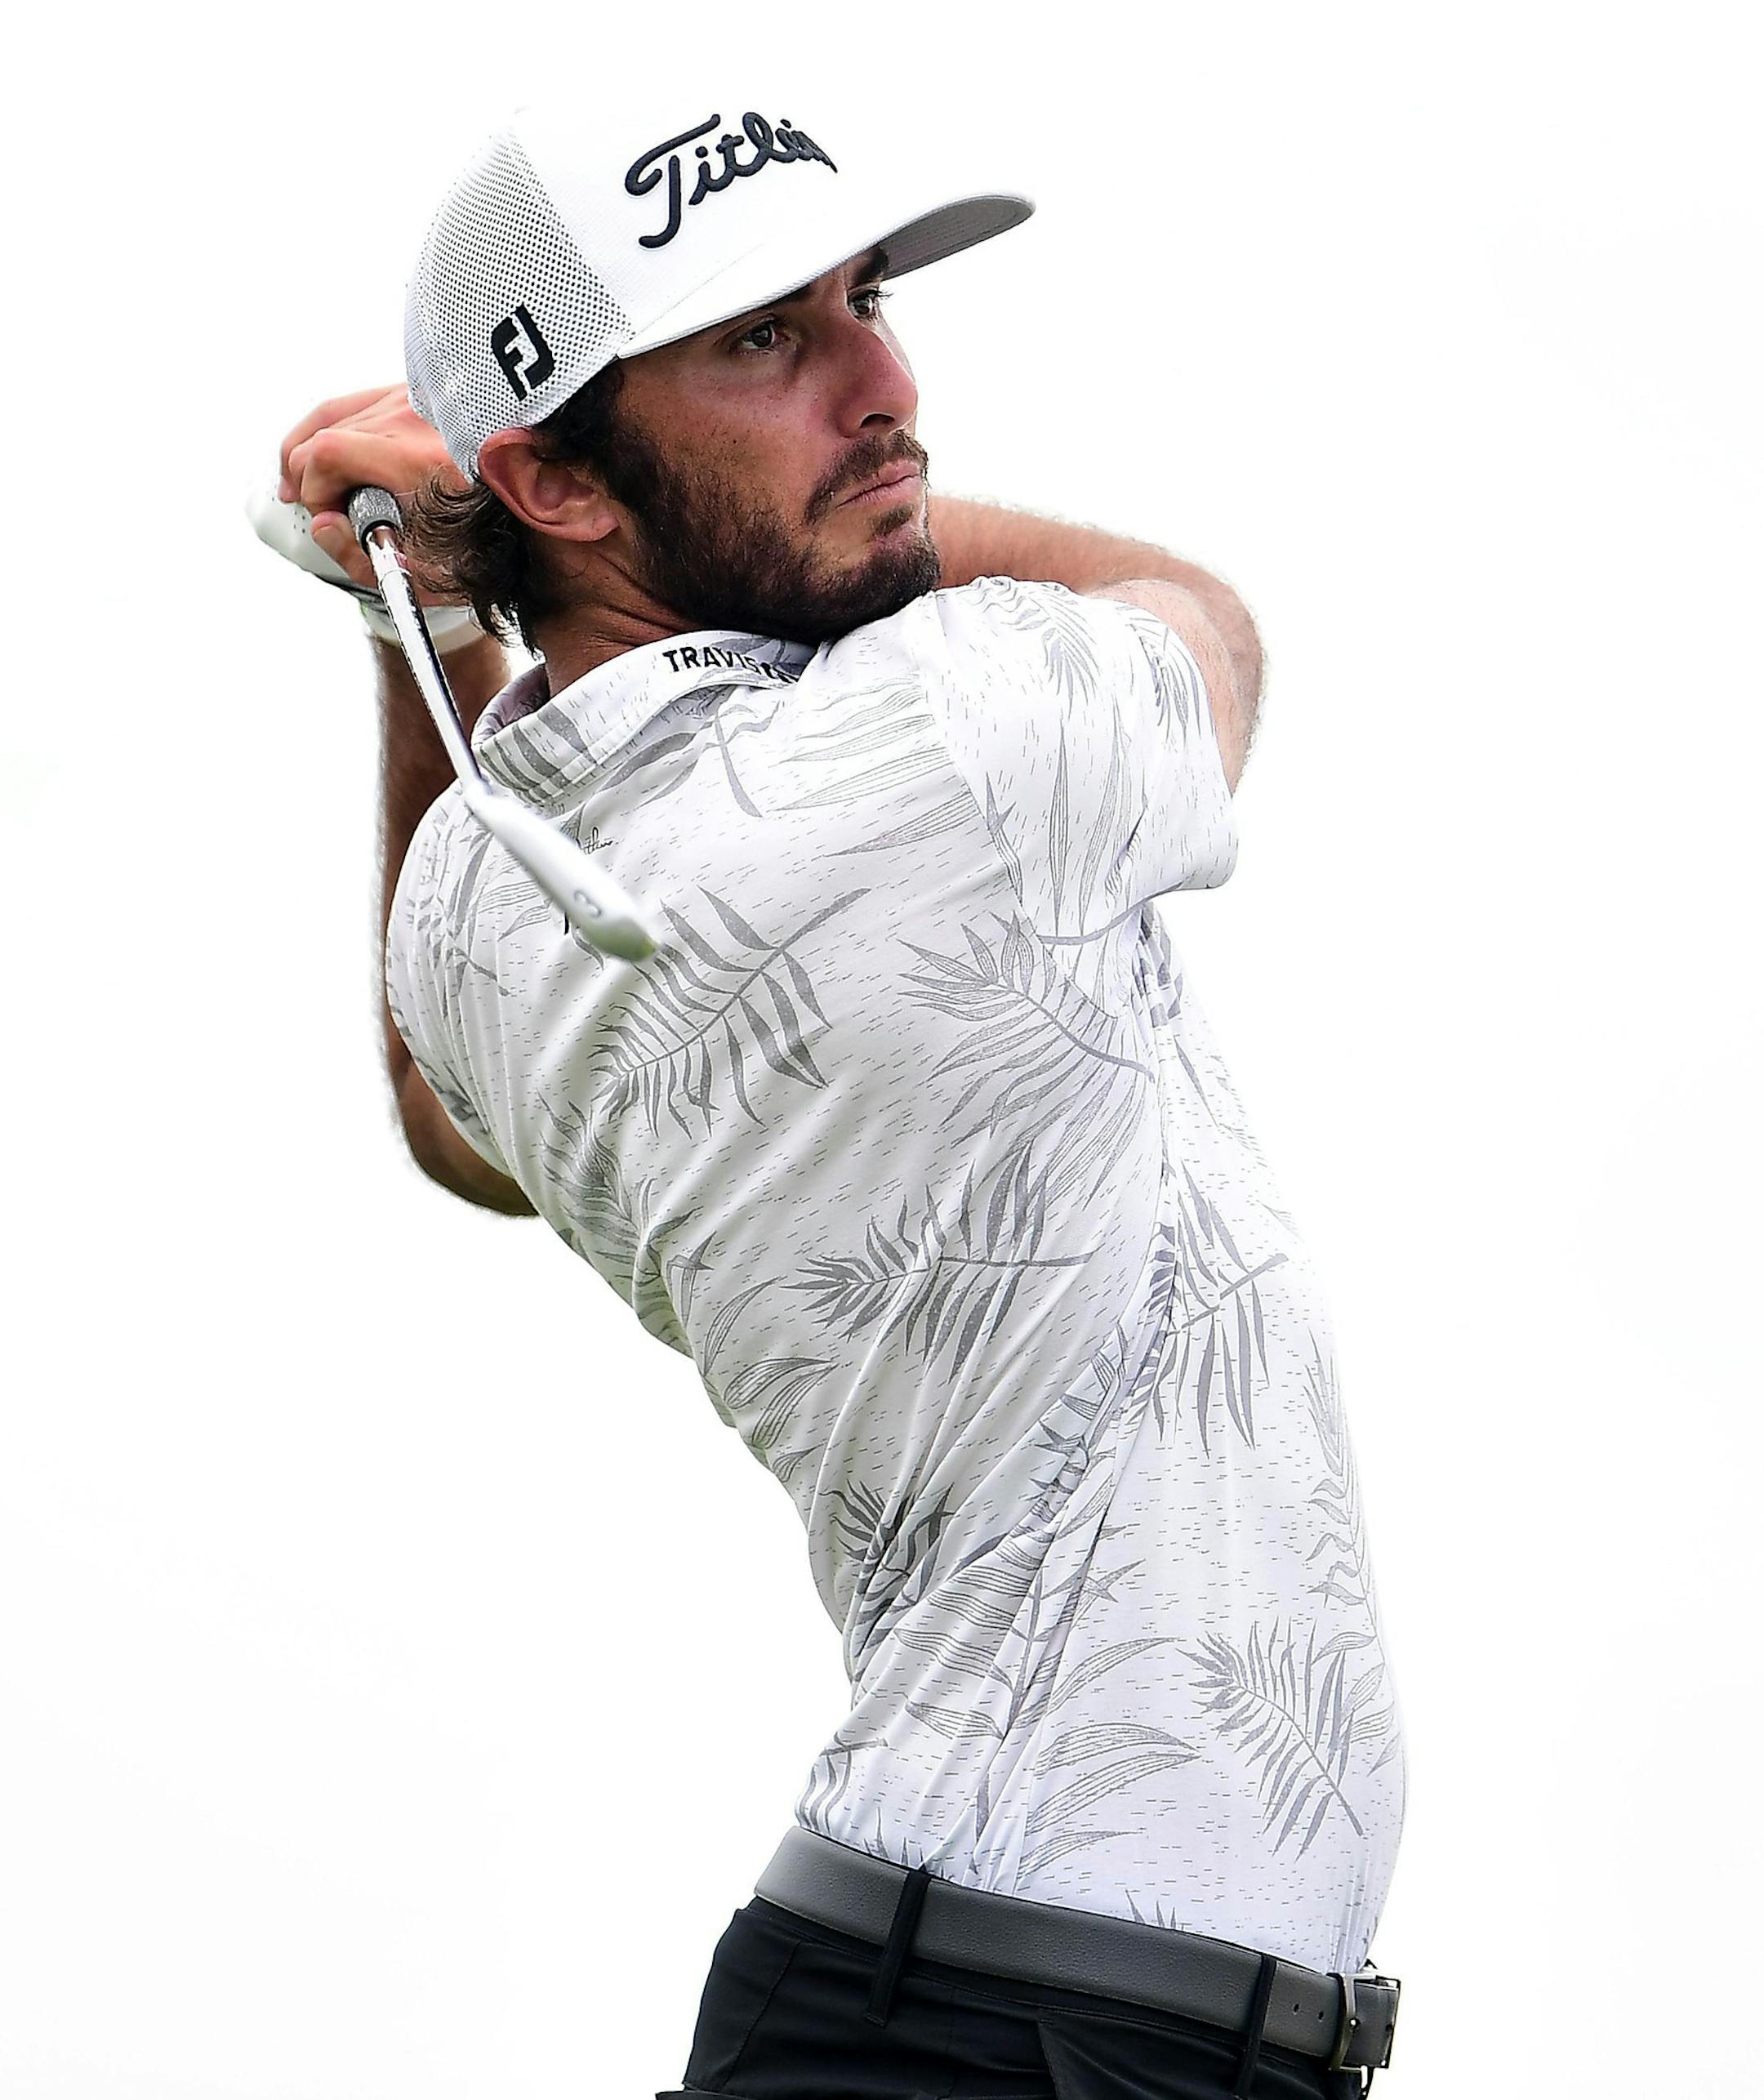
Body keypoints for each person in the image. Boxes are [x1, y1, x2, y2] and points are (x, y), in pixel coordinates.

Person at [266, 96, 1405, 2100]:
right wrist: (479, 569)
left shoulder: (472, 899)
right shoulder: (959, 736)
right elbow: (1202, 619)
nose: (887, 388)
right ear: (554, 474)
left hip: (974, 2002)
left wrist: (429, 605)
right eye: (760, 344)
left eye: (861, 299)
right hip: (1028, 2034)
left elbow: (458, 1126)